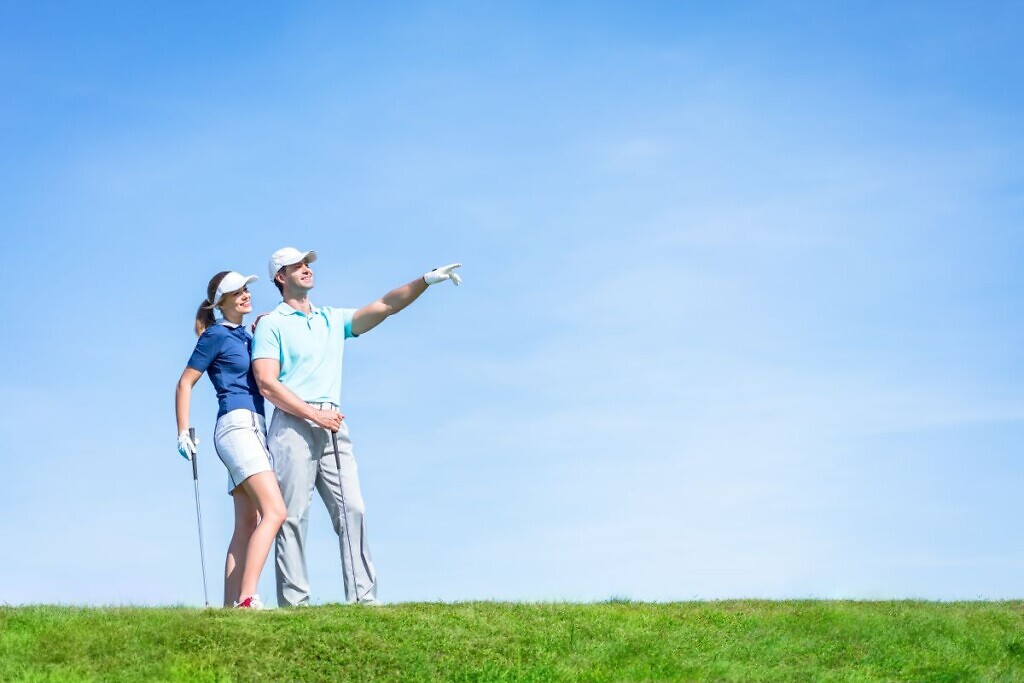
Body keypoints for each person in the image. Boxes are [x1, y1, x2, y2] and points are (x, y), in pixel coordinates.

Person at [252, 247, 461, 607]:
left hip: (333, 424)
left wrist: (426, 280)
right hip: (292, 424)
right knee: (293, 515)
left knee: (353, 509)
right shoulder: (272, 323)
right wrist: (312, 414)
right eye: (297, 266)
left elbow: (386, 305)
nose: (306, 269)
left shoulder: (331, 319)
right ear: (280, 277)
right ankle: (294, 604)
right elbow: (267, 383)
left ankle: (364, 598)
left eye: (307, 264)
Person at [175, 271, 287, 609]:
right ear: (220, 303)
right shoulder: (215, 335)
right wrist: (183, 431)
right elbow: (185, 383)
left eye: (246, 289)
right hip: (237, 427)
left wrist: (263, 330)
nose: (246, 295)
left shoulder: (247, 336)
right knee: (275, 511)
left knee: (247, 522)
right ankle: (248, 598)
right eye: (237, 292)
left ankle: (230, 609)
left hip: (254, 427)